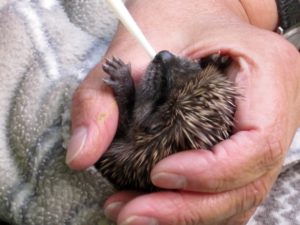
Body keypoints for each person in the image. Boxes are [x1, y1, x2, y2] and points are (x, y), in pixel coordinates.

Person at [66, 0, 300, 224]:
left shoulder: (142, 136)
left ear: (152, 124)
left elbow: (132, 122)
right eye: (197, 69)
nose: (166, 57)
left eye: (163, 91)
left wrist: (125, 87)